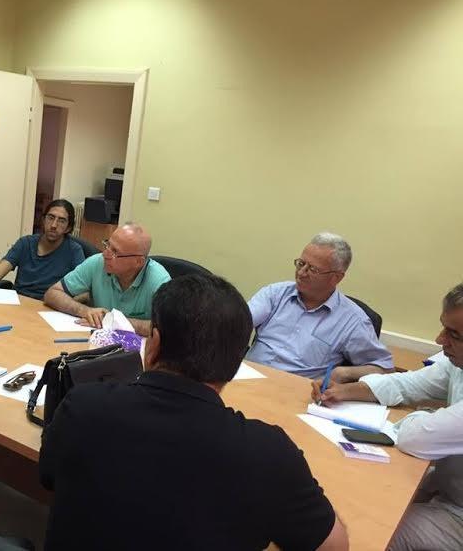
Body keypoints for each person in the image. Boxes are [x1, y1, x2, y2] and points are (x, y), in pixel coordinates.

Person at [40, 274, 348, 550]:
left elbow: (48, 476)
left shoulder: (83, 405)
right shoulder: (269, 454)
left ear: (153, 345)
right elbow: (333, 546)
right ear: (237, 362)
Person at [312, 283, 463, 551]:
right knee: (354, 495)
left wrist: (428, 416)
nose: (440, 340)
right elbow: (408, 384)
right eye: (444, 328)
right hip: (447, 484)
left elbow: (415, 439)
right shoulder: (457, 364)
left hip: (458, 514)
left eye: (454, 334)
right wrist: (345, 391)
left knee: (368, 533)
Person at [246, 232, 394, 381]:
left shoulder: (353, 321)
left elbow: (385, 369)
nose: (301, 273)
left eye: (313, 269)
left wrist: (344, 373)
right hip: (246, 377)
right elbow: (240, 323)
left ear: (336, 277)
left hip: (294, 389)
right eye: (301, 264)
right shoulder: (275, 294)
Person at [43, 222, 170, 335]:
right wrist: (85, 310)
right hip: (95, 341)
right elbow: (52, 293)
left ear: (138, 262)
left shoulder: (159, 281)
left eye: (115, 252)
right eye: (107, 245)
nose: (105, 254)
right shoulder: (97, 262)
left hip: (137, 349)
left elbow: (168, 327)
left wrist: (112, 321)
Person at [0, 199, 84, 300]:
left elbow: (84, 291)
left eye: (61, 221)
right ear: (44, 220)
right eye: (51, 218)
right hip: (19, 302)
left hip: (50, 306)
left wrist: (64, 303)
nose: (54, 225)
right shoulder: (25, 243)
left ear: (68, 227)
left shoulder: (74, 251)